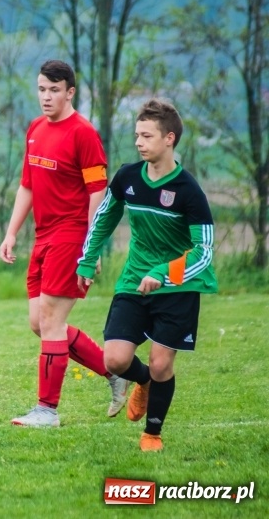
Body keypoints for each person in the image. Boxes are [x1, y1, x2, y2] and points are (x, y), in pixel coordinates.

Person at [77, 98, 217, 452]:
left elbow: (204, 252)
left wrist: (164, 274)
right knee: (116, 360)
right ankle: (142, 383)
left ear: (169, 138)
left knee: (160, 363)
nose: (139, 142)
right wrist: (86, 260)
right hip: (133, 281)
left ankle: (152, 434)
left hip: (178, 287)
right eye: (136, 135)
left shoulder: (188, 191)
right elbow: (104, 218)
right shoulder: (127, 176)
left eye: (147, 136)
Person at [0, 60, 128, 427]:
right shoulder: (36, 129)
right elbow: (27, 184)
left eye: (54, 90)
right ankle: (113, 372)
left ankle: (46, 410)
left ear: (70, 92)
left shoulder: (83, 133)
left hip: (71, 236)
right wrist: (11, 233)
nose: (46, 96)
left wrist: (92, 246)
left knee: (52, 321)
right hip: (43, 237)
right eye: (41, 89)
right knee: (39, 323)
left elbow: (97, 194)